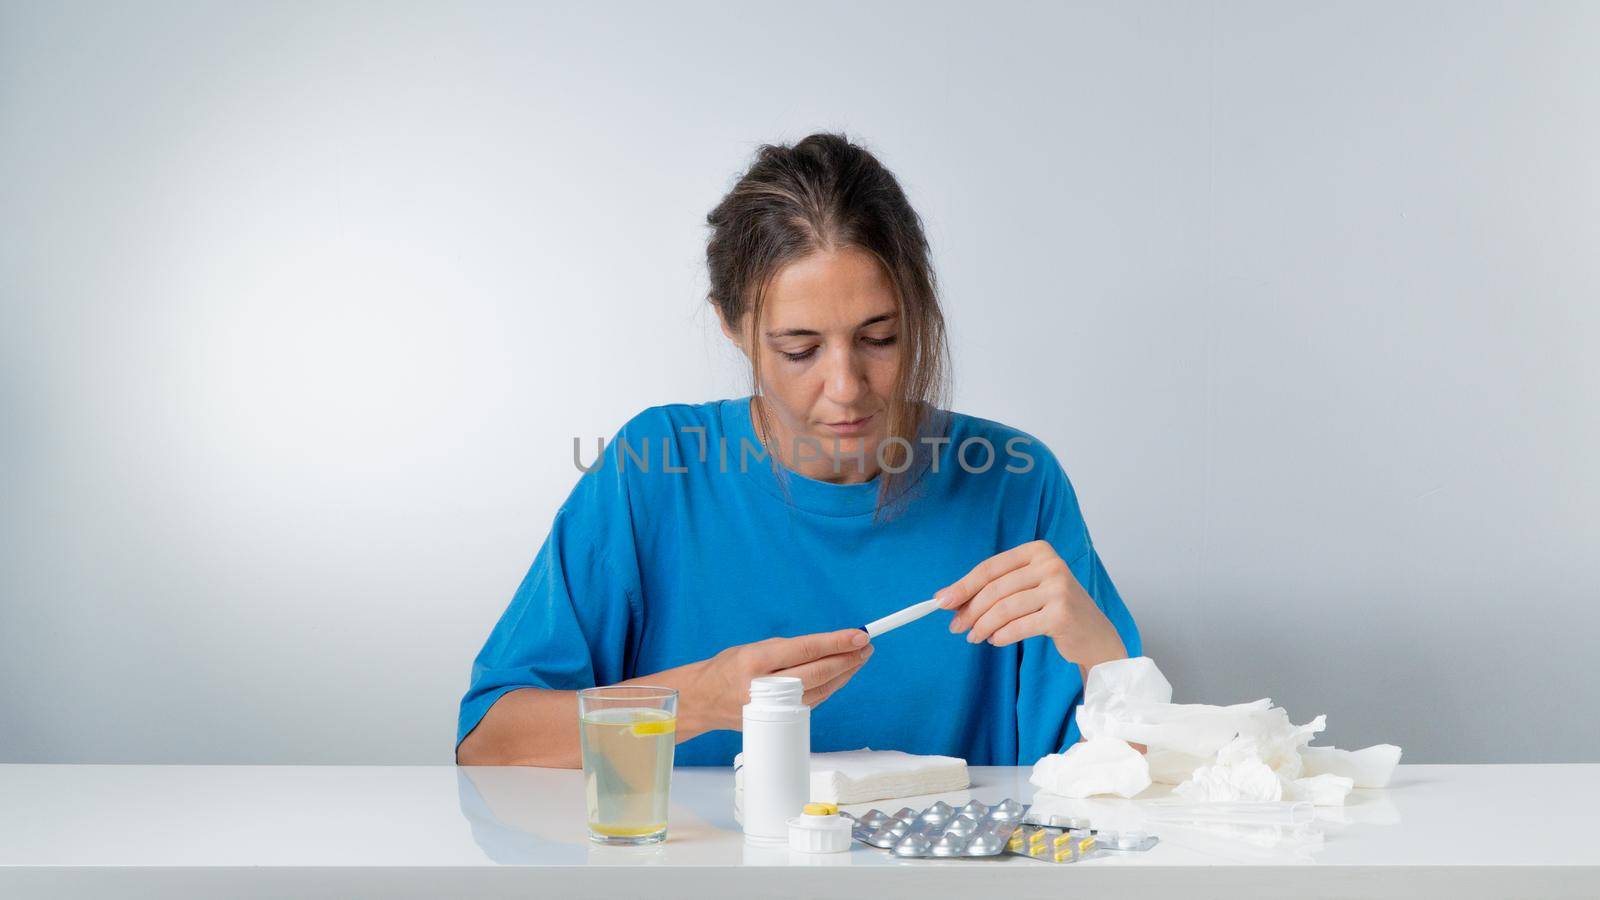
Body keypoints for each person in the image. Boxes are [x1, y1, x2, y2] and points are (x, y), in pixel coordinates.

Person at [456, 133, 1139, 768]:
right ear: (732, 326)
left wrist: (1103, 655)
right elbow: (490, 742)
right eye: (799, 348)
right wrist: (701, 699)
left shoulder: (1016, 484)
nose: (845, 387)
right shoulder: (652, 471)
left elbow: (1123, 789)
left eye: (880, 337)